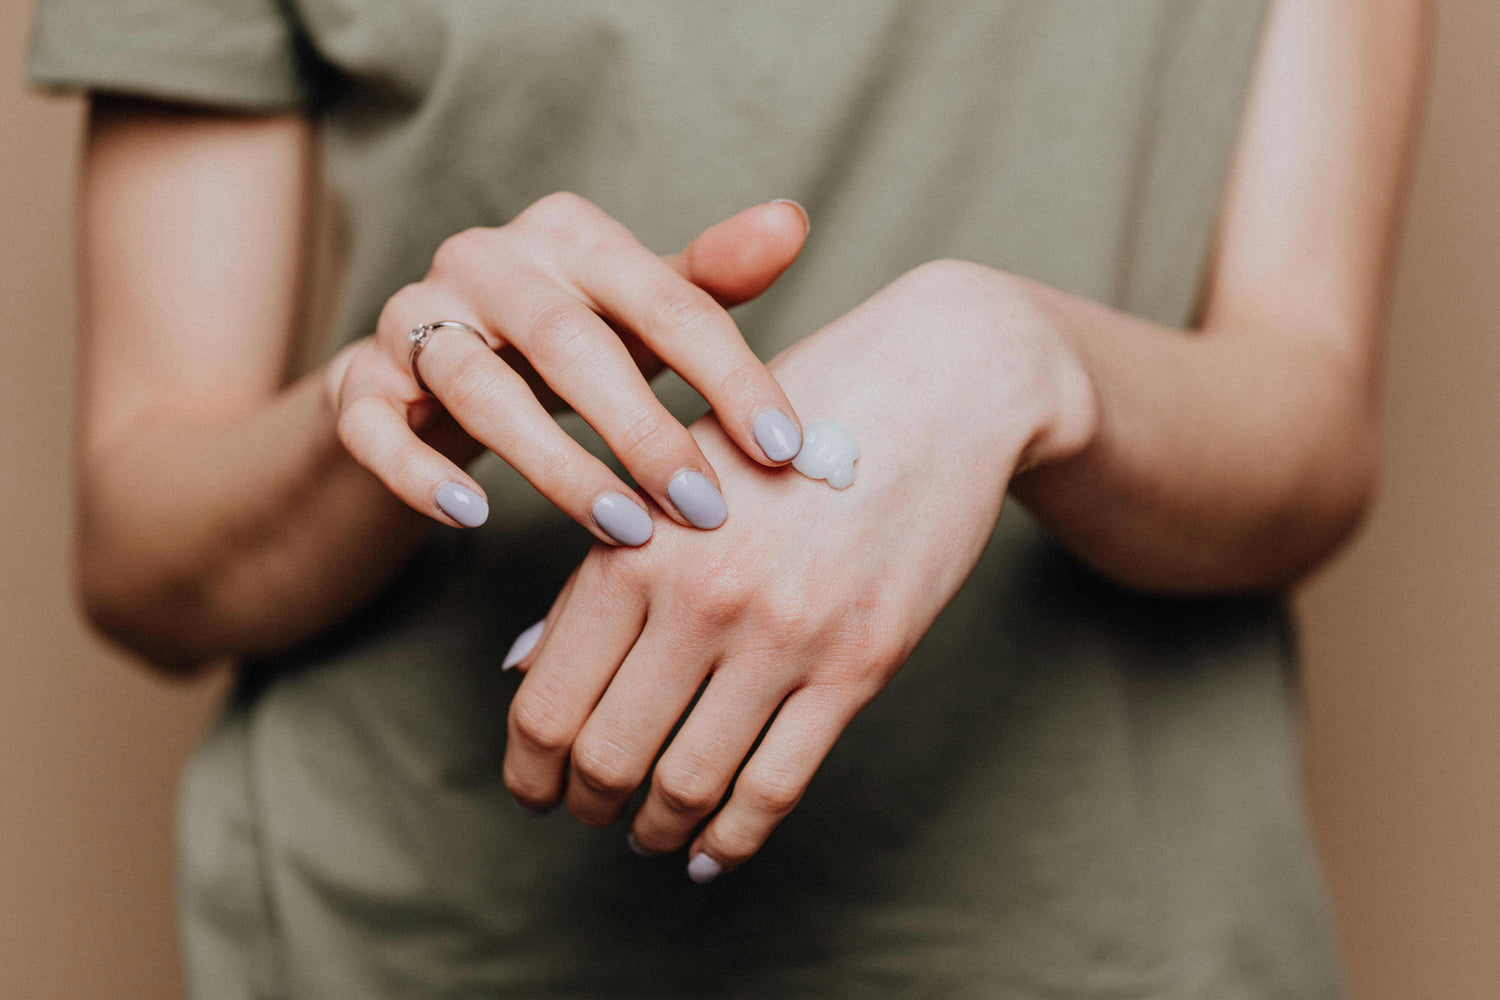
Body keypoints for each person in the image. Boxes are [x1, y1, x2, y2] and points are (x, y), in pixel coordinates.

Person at [29, 0, 1427, 996]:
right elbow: (145, 555)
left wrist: (1021, 364)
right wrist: (406, 409)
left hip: (1099, 929)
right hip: (417, 934)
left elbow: (1306, 441)